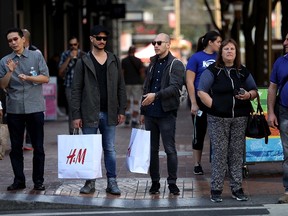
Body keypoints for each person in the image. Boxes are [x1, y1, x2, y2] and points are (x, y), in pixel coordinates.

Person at [197, 38, 258, 203]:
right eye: (226, 49)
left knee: (237, 154)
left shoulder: (242, 71)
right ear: (221, 53)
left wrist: (248, 95)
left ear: (236, 52)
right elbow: (201, 91)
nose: (229, 51)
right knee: (219, 154)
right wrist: (215, 105)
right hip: (218, 119)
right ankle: (216, 190)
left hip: (240, 118)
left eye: (232, 49)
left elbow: (254, 90)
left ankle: (237, 189)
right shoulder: (213, 70)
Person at [71, 25, 126, 195]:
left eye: (104, 38)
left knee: (109, 148)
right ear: (91, 39)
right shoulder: (83, 61)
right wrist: (76, 115)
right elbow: (76, 89)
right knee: (90, 149)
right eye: (99, 38)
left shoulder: (114, 59)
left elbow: (121, 86)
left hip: (109, 112)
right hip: (89, 113)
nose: (102, 41)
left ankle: (112, 182)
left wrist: (121, 110)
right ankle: (90, 182)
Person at [0, 28, 49, 191]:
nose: (13, 43)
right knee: (15, 148)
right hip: (15, 109)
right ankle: (19, 180)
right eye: (10, 41)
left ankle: (38, 181)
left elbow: (45, 77)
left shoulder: (36, 56)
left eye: (15, 39)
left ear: (23, 39)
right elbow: (3, 85)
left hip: (35, 107)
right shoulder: (5, 61)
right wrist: (10, 71)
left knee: (38, 147)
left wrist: (28, 77)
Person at [140, 33, 185, 195]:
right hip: (150, 113)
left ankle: (172, 183)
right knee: (151, 150)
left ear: (168, 44)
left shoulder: (176, 64)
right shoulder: (152, 63)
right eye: (154, 42)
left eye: (159, 42)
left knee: (170, 149)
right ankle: (155, 183)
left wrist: (156, 95)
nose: (156, 45)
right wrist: (142, 110)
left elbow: (175, 88)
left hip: (166, 113)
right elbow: (146, 86)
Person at [186, 30, 221, 175]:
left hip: (217, 101)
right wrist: (193, 102)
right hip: (200, 101)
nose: (220, 44)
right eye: (218, 42)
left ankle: (218, 162)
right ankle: (197, 163)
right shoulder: (196, 58)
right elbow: (189, 81)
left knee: (218, 133)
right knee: (199, 132)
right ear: (210, 42)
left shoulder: (220, 57)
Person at [267, 33, 288, 204]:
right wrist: (271, 112)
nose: (285, 42)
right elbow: (272, 88)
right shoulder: (280, 62)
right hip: (284, 111)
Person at [58, 36, 85, 135]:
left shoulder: (83, 55)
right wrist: (69, 58)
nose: (73, 47)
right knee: (72, 109)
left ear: (78, 44)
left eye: (75, 44)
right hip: (69, 86)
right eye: (71, 45)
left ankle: (83, 131)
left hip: (82, 87)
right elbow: (60, 72)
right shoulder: (65, 54)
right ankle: (73, 133)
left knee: (83, 108)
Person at [22, 28, 42, 150]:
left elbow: (42, 72)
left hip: (33, 89)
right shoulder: (14, 54)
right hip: (20, 90)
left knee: (31, 115)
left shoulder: (36, 52)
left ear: (25, 39)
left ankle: (30, 141)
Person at [121, 45, 145, 127]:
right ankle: (134, 120)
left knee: (127, 100)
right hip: (137, 83)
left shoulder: (124, 61)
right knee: (136, 101)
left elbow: (122, 73)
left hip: (127, 83)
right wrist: (143, 82)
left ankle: (127, 113)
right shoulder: (138, 61)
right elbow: (142, 72)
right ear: (134, 51)